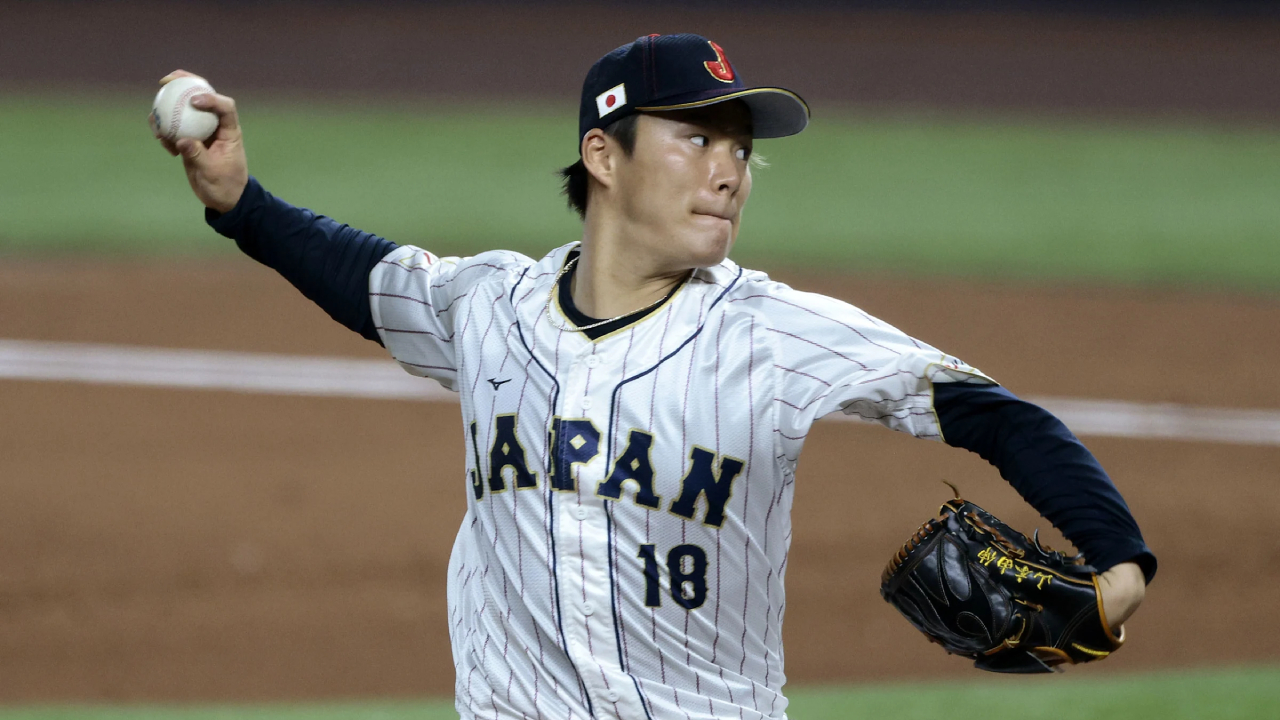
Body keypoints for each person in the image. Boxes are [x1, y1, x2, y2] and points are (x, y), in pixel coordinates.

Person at [157, 33, 1152, 720]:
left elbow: (994, 416)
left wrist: (1117, 565)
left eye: (741, 147)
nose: (729, 170)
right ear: (603, 153)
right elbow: (360, 276)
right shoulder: (489, 308)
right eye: (696, 137)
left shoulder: (768, 334)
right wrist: (240, 201)